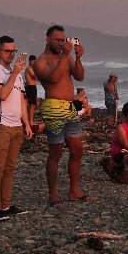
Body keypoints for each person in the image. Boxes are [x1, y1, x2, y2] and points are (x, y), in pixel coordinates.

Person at [33, 25, 92, 205]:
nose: (61, 43)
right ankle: (53, 193)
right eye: (57, 40)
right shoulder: (40, 61)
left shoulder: (65, 58)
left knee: (77, 150)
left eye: (63, 39)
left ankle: (74, 189)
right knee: (55, 153)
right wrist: (65, 56)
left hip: (70, 106)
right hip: (53, 107)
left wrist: (78, 57)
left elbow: (80, 77)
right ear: (47, 39)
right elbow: (54, 79)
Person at [0, 35, 34, 221]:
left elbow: (22, 101)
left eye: (13, 51)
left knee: (10, 168)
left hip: (16, 126)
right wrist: (14, 74)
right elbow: (3, 95)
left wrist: (27, 124)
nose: (11, 54)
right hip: (0, 125)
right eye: (7, 51)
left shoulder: (19, 76)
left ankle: (6, 205)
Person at [24, 55, 39, 122]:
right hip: (30, 87)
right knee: (32, 105)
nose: (33, 63)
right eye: (32, 61)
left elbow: (37, 79)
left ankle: (29, 119)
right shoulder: (29, 68)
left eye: (35, 62)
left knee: (32, 104)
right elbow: (34, 76)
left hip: (32, 87)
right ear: (29, 61)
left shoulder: (32, 69)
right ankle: (30, 121)